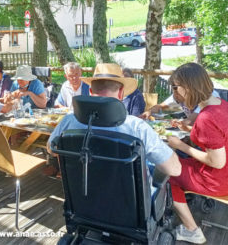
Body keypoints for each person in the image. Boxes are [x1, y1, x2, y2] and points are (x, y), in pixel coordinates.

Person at [47, 63, 181, 179]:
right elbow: (175, 170)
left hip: (81, 199)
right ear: (121, 92)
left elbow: (51, 149)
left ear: (90, 91)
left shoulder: (69, 120)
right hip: (127, 204)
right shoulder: (136, 127)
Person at [166, 63, 228, 244]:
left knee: (167, 174)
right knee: (174, 163)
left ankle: (192, 230)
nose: (175, 92)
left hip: (219, 178)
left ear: (188, 87)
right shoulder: (221, 104)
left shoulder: (206, 117)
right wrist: (189, 130)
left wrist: (181, 145)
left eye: (176, 87)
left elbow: (217, 162)